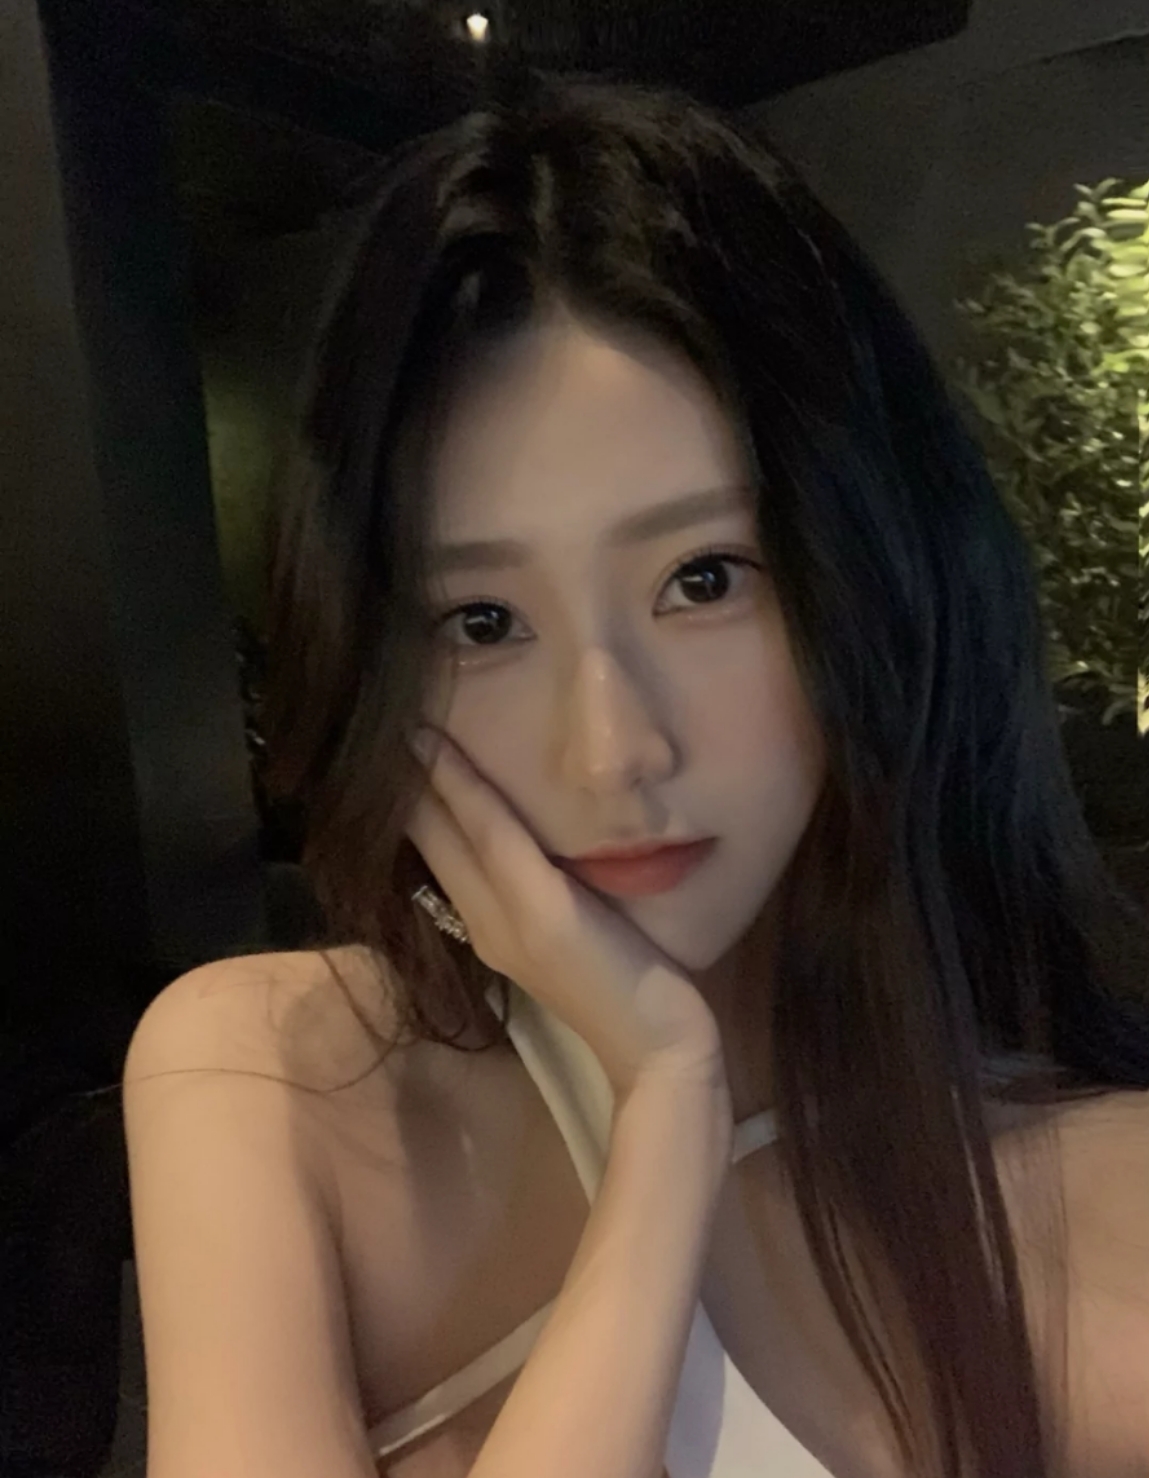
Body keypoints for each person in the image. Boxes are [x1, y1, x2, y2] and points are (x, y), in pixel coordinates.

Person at [121, 68, 1149, 1478]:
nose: (609, 749)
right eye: (483, 622)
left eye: (704, 578)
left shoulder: (1081, 1184)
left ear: (876, 578)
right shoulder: (279, 1073)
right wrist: (666, 1102)